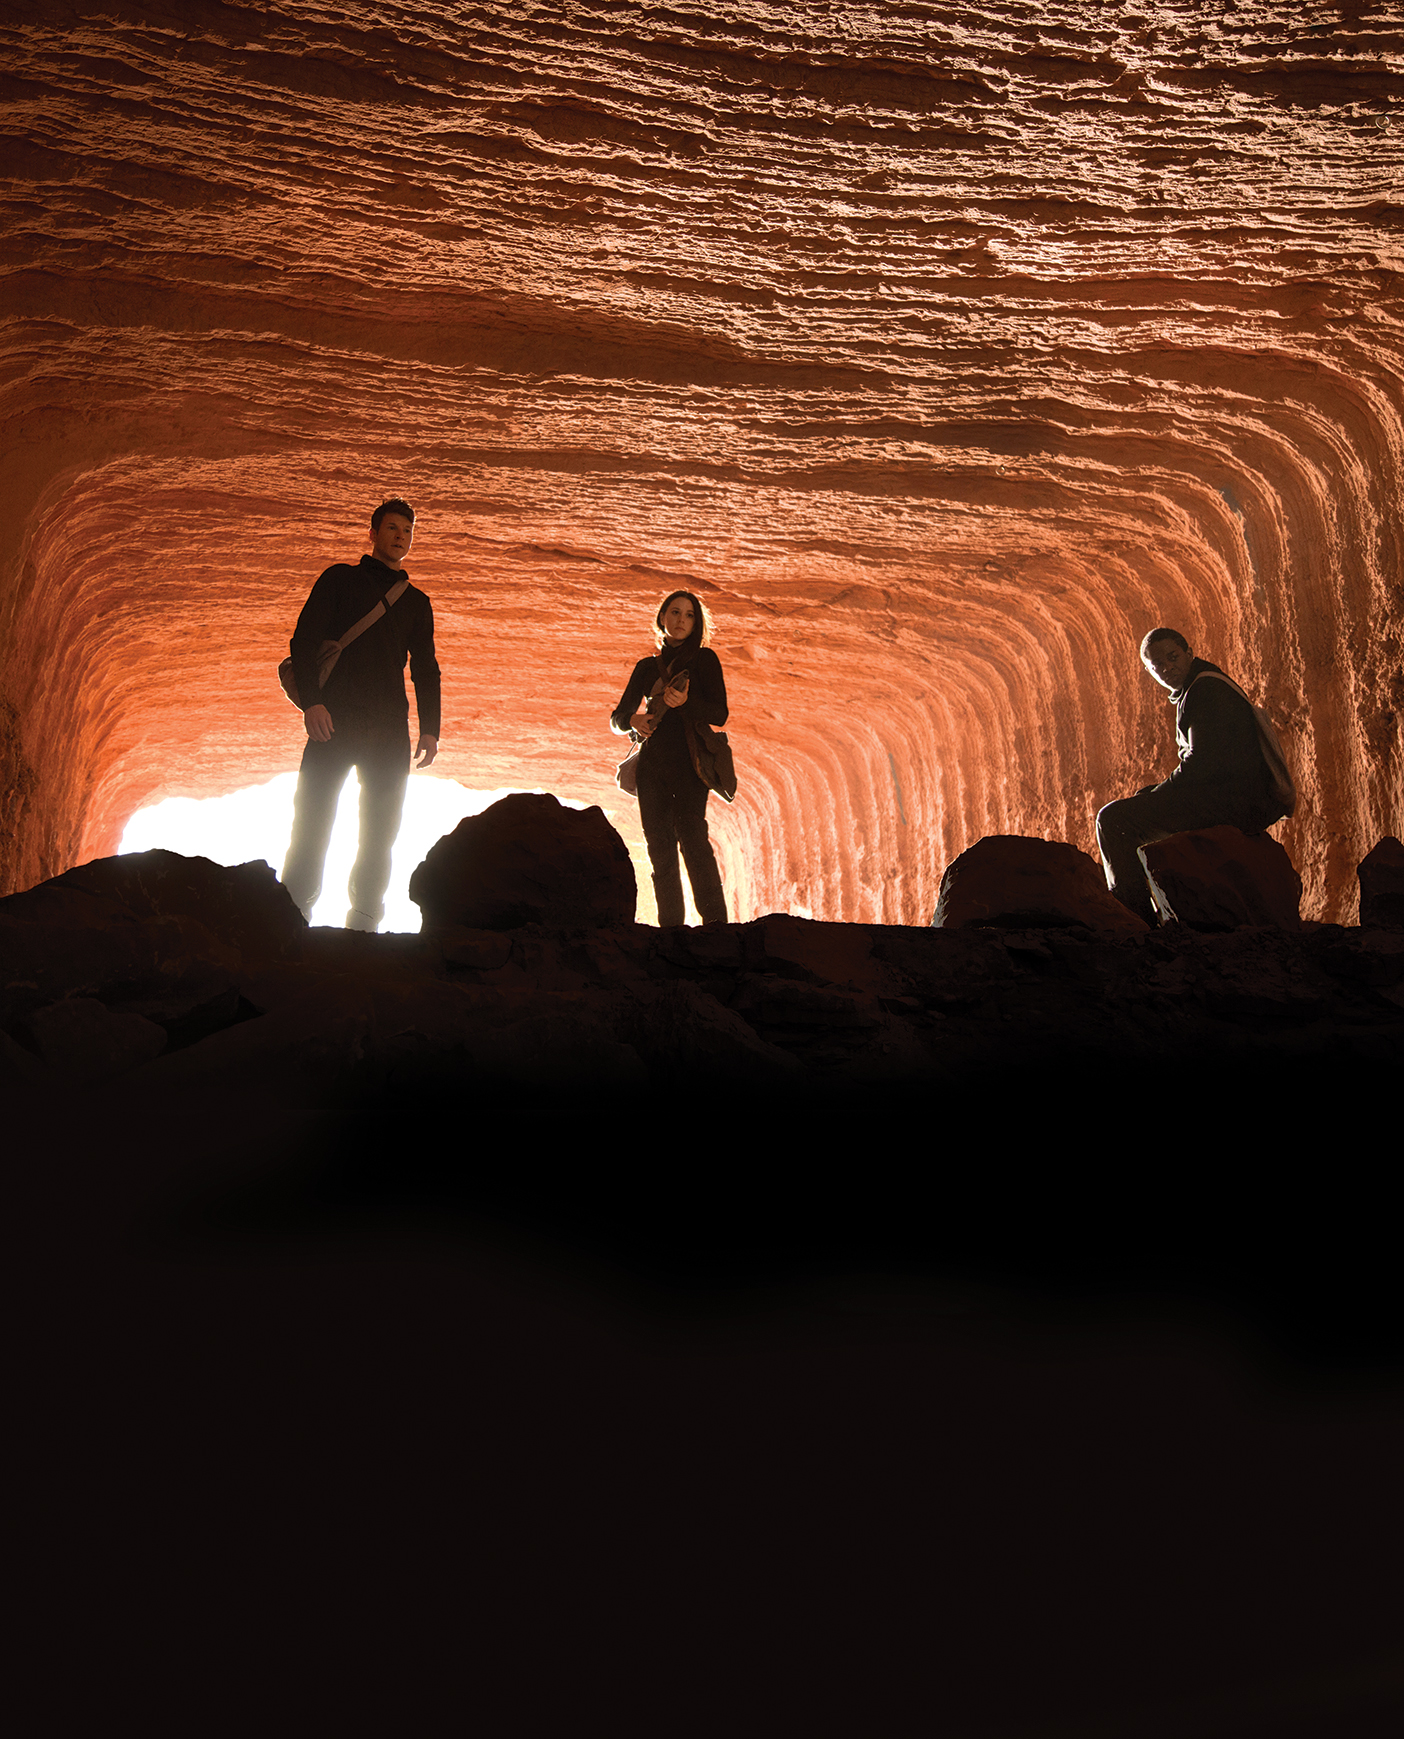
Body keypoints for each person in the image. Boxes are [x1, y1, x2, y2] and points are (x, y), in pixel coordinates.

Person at [281, 498, 440, 931]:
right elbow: (304, 641)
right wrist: (312, 702)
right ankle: (291, 915)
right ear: (372, 534)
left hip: (389, 733)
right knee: (311, 821)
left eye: (407, 531)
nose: (400, 537)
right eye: (391, 528)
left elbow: (426, 670)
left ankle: (365, 922)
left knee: (380, 834)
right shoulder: (339, 579)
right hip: (331, 723)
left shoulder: (417, 603)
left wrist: (431, 731)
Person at [1096, 627, 1291, 924]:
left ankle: (1134, 920)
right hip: (1234, 796)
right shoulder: (1200, 686)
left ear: (1189, 653)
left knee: (1113, 820)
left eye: (1172, 657)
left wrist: (1159, 794)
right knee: (1140, 802)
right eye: (1156, 666)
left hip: (1234, 802)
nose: (1167, 668)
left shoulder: (1206, 690)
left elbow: (1201, 766)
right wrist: (1156, 793)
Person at [611, 591, 728, 927]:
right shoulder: (647, 667)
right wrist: (632, 721)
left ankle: (717, 926)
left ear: (696, 623)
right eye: (674, 612)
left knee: (694, 841)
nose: (680, 620)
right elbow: (617, 718)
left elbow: (719, 714)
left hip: (691, 766)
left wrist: (685, 704)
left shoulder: (705, 661)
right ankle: (671, 929)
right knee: (659, 848)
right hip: (652, 768)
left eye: (689, 615)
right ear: (662, 618)